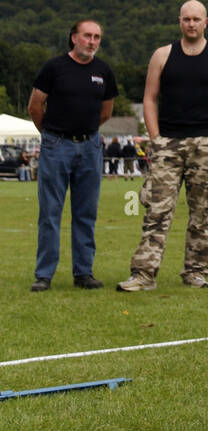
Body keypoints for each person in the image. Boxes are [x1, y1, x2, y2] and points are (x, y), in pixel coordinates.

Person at [116, 1, 208, 292]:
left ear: (206, 22)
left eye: (196, 19)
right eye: (186, 19)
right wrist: (155, 137)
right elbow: (150, 97)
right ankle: (143, 275)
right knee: (156, 211)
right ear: (179, 21)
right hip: (168, 144)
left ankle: (196, 272)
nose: (191, 24)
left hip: (205, 144)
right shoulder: (162, 55)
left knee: (203, 212)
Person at [27, 19, 117, 291]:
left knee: (86, 212)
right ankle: (44, 275)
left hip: (89, 147)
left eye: (97, 37)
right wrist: (53, 135)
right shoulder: (54, 68)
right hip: (56, 146)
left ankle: (83, 272)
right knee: (50, 212)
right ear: (74, 38)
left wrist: (83, 134)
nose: (92, 42)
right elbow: (34, 106)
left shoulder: (103, 71)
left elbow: (106, 112)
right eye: (87, 36)